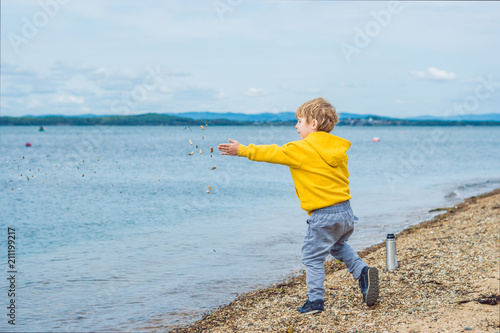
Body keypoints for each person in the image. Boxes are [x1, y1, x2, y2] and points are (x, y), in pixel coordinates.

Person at [217, 97, 379, 314]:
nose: (296, 126)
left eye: (299, 121)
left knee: (312, 256)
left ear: (313, 124)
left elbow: (273, 153)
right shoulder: (338, 150)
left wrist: (243, 150)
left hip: (323, 214)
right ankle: (362, 271)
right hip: (345, 210)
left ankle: (315, 301)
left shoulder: (301, 149)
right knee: (337, 246)